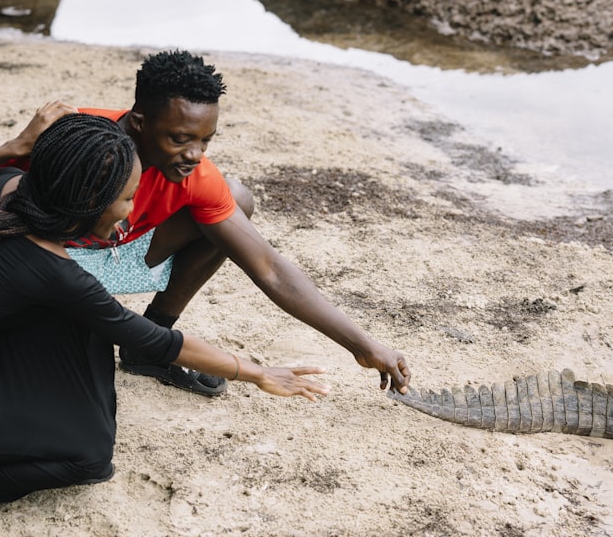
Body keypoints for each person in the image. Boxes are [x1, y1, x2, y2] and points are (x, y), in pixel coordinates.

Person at [0, 108, 330, 537]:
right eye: (125, 198)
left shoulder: (4, 186)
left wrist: (9, 148)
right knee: (87, 456)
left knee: (76, 325)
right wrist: (257, 372)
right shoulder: (50, 270)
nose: (132, 208)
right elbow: (154, 340)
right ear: (88, 201)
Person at [38, 50, 412, 398]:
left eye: (205, 140)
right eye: (180, 139)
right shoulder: (76, 141)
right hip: (48, 263)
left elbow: (270, 268)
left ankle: (148, 346)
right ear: (139, 123)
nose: (194, 155)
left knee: (235, 199)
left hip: (120, 256)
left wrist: (363, 345)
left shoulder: (194, 172)